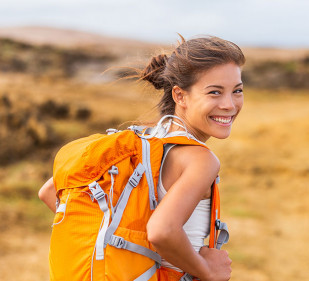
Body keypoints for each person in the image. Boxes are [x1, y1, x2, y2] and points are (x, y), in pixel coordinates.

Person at [38, 35, 246, 281]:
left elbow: (50, 192)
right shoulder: (201, 159)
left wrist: (119, 248)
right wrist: (206, 270)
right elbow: (162, 231)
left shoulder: (138, 144)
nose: (229, 104)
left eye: (237, 91)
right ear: (179, 96)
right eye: (214, 92)